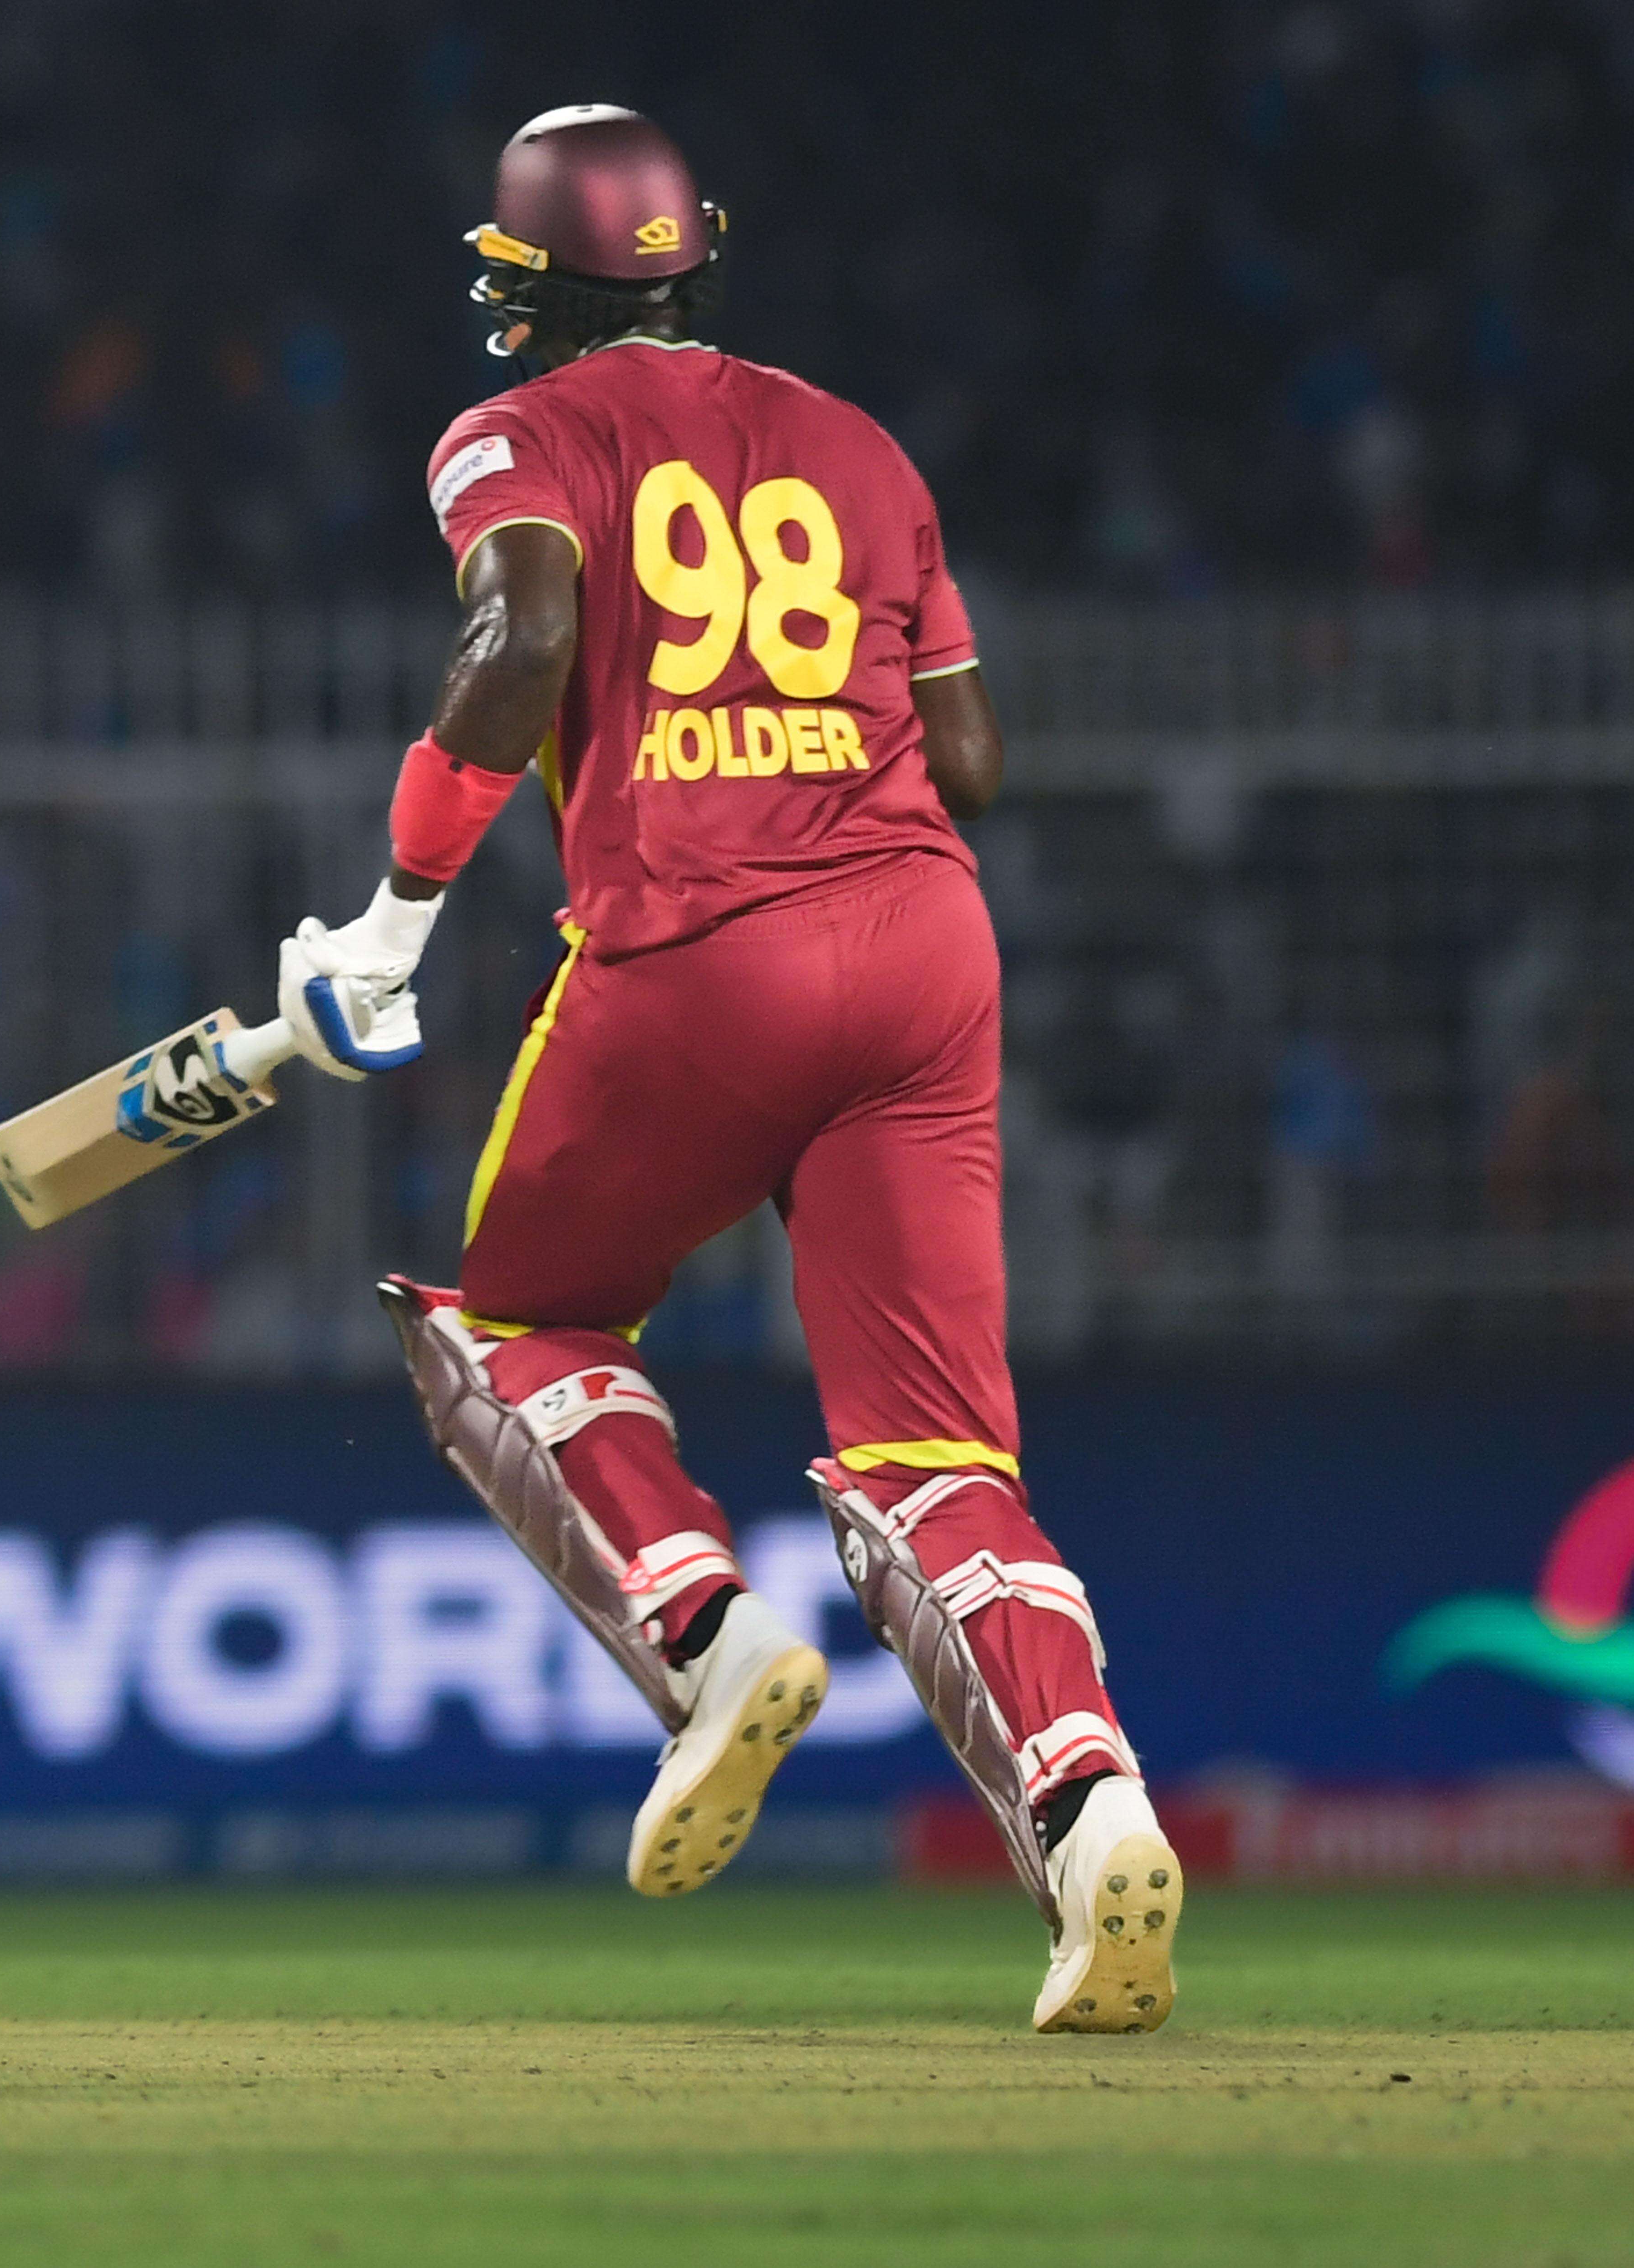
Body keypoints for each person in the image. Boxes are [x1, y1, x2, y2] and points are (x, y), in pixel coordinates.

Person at [277, 108, 1181, 2034]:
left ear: (530, 285)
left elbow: (517, 643)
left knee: (508, 1317)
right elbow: (979, 760)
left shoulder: (512, 433)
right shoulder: (858, 441)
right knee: (939, 1460)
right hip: (926, 955)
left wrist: (395, 912)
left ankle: (701, 1625)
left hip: (697, 942)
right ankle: (1090, 1806)